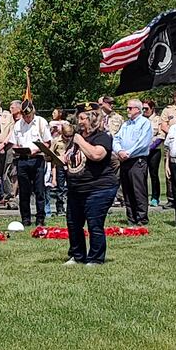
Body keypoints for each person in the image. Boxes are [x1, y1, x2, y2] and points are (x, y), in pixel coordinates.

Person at [64, 106, 119, 266]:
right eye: (79, 118)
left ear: (93, 119)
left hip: (99, 188)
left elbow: (96, 155)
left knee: (94, 223)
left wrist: (80, 141)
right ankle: (77, 255)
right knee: (73, 224)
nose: (79, 122)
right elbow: (71, 159)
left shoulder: (102, 137)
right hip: (77, 188)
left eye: (83, 118)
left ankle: (95, 258)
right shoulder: (77, 137)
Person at [6, 99, 52, 227]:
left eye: (29, 115)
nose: (27, 118)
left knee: (39, 190)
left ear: (33, 112)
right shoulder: (18, 124)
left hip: (37, 159)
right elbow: (13, 142)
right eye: (25, 116)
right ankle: (25, 218)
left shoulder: (41, 122)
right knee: (24, 191)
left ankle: (40, 218)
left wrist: (36, 149)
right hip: (22, 159)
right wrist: (17, 148)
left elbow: (48, 142)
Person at [113, 99, 152, 226]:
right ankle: (131, 218)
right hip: (124, 160)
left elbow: (143, 143)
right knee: (127, 190)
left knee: (138, 190)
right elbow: (116, 139)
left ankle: (141, 218)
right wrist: (119, 151)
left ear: (137, 109)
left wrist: (128, 153)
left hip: (137, 160)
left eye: (130, 108)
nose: (127, 110)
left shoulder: (144, 123)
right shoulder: (125, 124)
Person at [143, 100, 165, 207]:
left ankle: (155, 197)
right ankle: (143, 197)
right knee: (142, 174)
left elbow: (161, 136)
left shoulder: (158, 120)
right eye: (143, 109)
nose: (144, 111)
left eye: (146, 109)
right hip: (141, 151)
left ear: (152, 109)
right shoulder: (140, 120)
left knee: (154, 174)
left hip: (154, 151)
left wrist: (151, 147)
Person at [49, 123, 73, 216]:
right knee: (61, 188)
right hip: (60, 166)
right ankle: (60, 208)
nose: (68, 138)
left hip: (71, 165)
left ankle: (71, 208)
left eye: (70, 136)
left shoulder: (73, 141)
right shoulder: (56, 141)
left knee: (72, 187)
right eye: (66, 136)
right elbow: (50, 154)